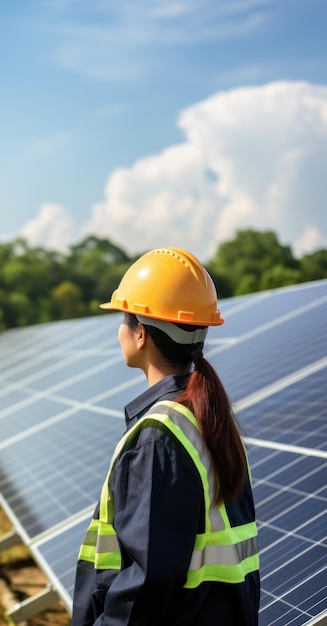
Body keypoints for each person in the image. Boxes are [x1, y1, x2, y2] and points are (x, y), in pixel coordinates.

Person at [72, 247, 260, 626]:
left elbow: (144, 588)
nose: (119, 329)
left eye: (124, 317)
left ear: (141, 333)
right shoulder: (210, 422)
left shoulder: (158, 438)